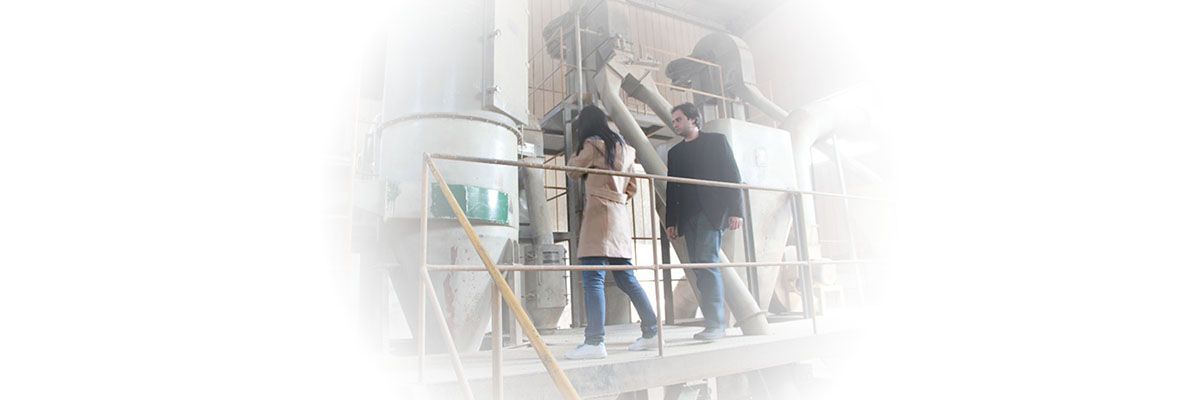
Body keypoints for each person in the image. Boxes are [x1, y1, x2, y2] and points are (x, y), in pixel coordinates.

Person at [563, 105, 660, 360]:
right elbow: (632, 187)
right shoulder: (626, 149)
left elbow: (572, 170)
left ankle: (595, 341)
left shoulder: (593, 145)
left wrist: (579, 154)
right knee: (626, 278)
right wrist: (616, 198)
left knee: (593, 278)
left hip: (598, 214)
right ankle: (652, 331)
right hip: (619, 217)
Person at [664, 102, 743, 342]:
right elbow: (672, 188)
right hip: (687, 215)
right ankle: (712, 322)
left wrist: (736, 211)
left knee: (707, 264)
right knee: (698, 268)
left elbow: (732, 176)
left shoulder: (716, 142)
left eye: (678, 119)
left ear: (693, 119)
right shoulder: (675, 153)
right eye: (674, 121)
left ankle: (716, 324)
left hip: (712, 213)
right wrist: (671, 221)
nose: (675, 124)